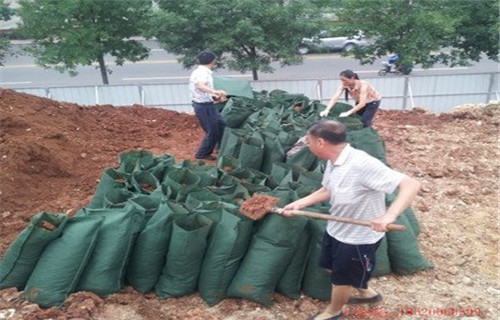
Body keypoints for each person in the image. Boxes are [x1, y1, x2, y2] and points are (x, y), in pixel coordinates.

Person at [280, 120, 421, 320]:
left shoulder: (362, 164)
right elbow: (327, 189)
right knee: (331, 266)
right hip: (338, 228)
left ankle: (334, 312)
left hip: (357, 238)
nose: (307, 146)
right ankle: (367, 293)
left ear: (320, 142)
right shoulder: (334, 161)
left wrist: (388, 216)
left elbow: (411, 184)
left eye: (308, 141)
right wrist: (299, 204)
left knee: (342, 278)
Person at [189, 50, 228, 160]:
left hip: (207, 104)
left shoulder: (202, 71)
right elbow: (200, 86)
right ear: (213, 62)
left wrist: (215, 98)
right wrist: (216, 92)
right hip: (203, 106)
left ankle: (221, 149)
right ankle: (202, 154)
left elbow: (202, 90)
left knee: (222, 125)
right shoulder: (202, 73)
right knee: (213, 131)